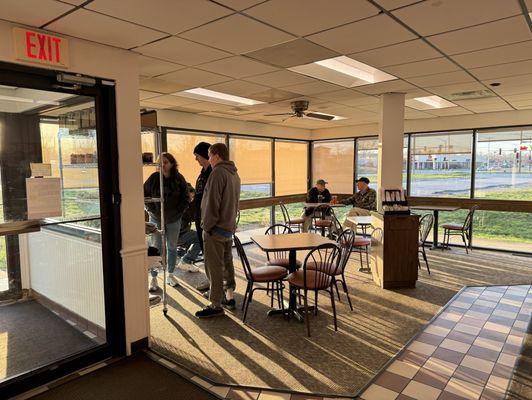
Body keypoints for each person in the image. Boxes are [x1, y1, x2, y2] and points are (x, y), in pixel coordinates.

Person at [195, 143, 240, 318]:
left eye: (209, 155)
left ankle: (215, 304)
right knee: (227, 263)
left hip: (215, 228)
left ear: (217, 155)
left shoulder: (217, 173)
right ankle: (229, 296)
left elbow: (212, 203)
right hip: (228, 227)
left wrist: (207, 226)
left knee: (214, 267)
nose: (209, 159)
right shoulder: (234, 174)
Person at [144, 152, 188, 292]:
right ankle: (154, 277)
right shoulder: (153, 178)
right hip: (156, 218)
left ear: (172, 163)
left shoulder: (179, 178)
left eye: (166, 162)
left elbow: (186, 198)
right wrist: (152, 210)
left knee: (172, 247)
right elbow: (144, 195)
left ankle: (170, 274)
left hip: (174, 219)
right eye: (160, 162)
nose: (162, 165)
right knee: (156, 247)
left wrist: (178, 212)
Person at [192, 142, 212, 292]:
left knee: (212, 254)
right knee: (206, 252)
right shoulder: (202, 173)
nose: (196, 159)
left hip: (208, 219)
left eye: (197, 156)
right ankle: (210, 280)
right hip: (199, 217)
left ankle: (215, 284)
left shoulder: (214, 173)